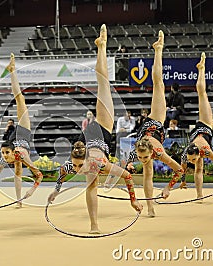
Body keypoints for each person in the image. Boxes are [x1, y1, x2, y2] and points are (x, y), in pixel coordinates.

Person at [48, 25, 142, 234]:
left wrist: (132, 202)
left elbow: (127, 176)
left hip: (102, 129)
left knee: (103, 85)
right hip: (92, 135)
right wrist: (55, 192)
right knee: (102, 86)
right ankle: (94, 224)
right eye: (76, 166)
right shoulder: (74, 165)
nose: (77, 169)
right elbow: (62, 175)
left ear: (86, 160)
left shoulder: (96, 164)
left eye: (79, 166)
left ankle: (102, 45)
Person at [126, 31, 184, 217]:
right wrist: (128, 164)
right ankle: (151, 207)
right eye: (141, 159)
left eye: (144, 158)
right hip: (146, 131)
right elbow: (127, 162)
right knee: (147, 175)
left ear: (151, 152)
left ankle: (158, 50)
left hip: (155, 121)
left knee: (158, 84)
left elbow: (179, 170)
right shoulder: (139, 152)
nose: (143, 161)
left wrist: (168, 188)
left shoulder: (158, 153)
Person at [0, 53, 43, 208]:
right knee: (17, 172)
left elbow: (39, 175)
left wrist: (32, 190)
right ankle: (19, 201)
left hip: (23, 130)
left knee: (20, 99)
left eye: (6, 153)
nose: (4, 156)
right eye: (3, 153)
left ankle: (13, 71)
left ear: (12, 152)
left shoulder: (22, 156)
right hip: (16, 138)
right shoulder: (6, 157)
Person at [179, 53, 213, 197]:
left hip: (205, 123)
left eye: (193, 159)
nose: (192, 162)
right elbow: (183, 170)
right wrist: (183, 182)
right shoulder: (186, 155)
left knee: (202, 94)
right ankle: (199, 195)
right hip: (202, 128)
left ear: (199, 153)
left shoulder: (205, 150)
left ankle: (201, 69)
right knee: (199, 170)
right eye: (191, 159)